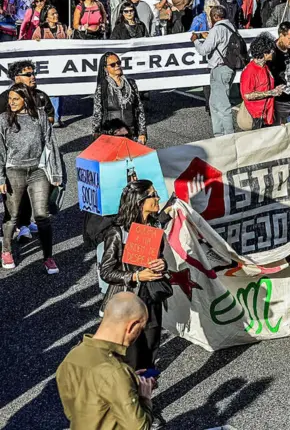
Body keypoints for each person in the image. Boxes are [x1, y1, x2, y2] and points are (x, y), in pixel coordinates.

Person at [56, 293, 155, 430]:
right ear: (132, 326)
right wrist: (145, 398)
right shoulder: (116, 372)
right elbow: (139, 427)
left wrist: (129, 381)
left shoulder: (71, 358)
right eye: (140, 329)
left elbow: (73, 411)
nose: (139, 335)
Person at [98, 180, 169, 372]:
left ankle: (147, 383)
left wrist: (163, 264)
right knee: (131, 355)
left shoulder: (154, 226)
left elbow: (160, 257)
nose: (158, 198)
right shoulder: (117, 232)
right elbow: (106, 271)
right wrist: (137, 276)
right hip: (128, 301)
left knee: (151, 345)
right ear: (139, 202)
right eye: (153, 195)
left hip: (151, 297)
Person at [0, 83, 63, 272]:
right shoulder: (3, 119)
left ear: (25, 99)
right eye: (10, 99)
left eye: (15, 99)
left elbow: (51, 143)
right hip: (13, 171)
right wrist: (1, 178)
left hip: (37, 171)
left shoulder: (40, 116)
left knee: (42, 216)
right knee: (12, 216)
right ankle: (6, 251)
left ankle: (48, 257)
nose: (11, 103)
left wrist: (56, 173)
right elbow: (0, 150)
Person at [192, 4, 239, 136]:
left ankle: (228, 135)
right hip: (229, 67)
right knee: (214, 104)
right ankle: (219, 134)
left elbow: (204, 50)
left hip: (219, 68)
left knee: (222, 105)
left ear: (215, 17)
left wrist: (196, 41)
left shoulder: (217, 29)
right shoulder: (231, 26)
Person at [240, 34, 284, 129]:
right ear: (265, 53)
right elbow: (247, 95)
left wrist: (275, 89)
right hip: (255, 118)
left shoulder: (265, 66)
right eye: (271, 50)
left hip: (266, 115)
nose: (273, 52)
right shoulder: (250, 71)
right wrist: (271, 93)